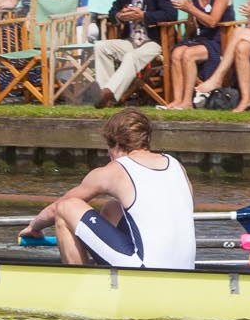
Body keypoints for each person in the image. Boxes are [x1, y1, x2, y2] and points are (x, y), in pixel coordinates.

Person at [21, 108, 195, 270]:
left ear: (117, 144)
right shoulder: (176, 165)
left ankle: (79, 287)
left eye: (108, 149)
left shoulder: (115, 170)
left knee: (67, 207)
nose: (108, 155)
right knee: (113, 208)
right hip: (185, 269)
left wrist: (34, 227)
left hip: (145, 270)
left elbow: (56, 207)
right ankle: (107, 274)